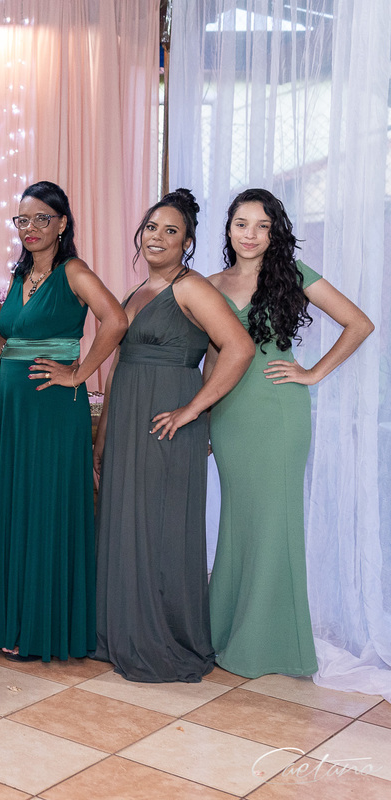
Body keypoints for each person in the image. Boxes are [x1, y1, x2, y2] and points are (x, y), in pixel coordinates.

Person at [206, 188, 373, 679]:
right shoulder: (211, 284)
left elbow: (358, 323)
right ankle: (225, 632)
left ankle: (267, 646)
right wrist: (205, 412)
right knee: (237, 523)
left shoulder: (293, 274)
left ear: (274, 232)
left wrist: (313, 372)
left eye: (262, 226)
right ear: (229, 229)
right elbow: (213, 357)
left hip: (278, 412)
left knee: (274, 524)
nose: (251, 234)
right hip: (230, 416)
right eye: (242, 224)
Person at [92, 189, 253, 682]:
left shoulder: (191, 288)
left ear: (187, 243)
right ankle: (123, 631)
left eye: (171, 231)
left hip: (166, 421)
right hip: (126, 420)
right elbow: (118, 365)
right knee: (126, 522)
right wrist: (102, 436)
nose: (157, 237)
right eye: (151, 227)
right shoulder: (134, 292)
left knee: (160, 528)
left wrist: (193, 410)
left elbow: (239, 348)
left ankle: (162, 638)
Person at [0, 180, 128, 663]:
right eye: (22, 220)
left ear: (62, 223)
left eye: (42, 218)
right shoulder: (21, 274)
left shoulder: (73, 271)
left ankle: (42, 627)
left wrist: (79, 374)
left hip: (52, 409)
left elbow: (116, 320)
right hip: (14, 410)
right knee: (16, 505)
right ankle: (13, 620)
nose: (31, 228)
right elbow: (9, 336)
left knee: (45, 506)